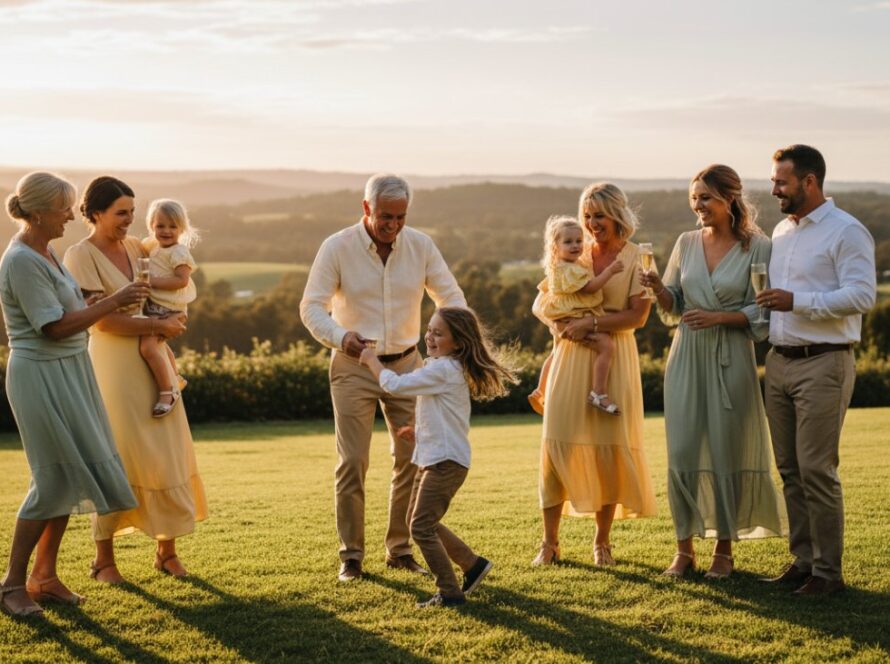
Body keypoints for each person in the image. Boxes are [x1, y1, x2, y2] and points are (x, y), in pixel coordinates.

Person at [300, 173, 467, 582]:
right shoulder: (336, 247)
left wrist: (454, 343)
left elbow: (451, 297)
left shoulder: (421, 246)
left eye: (400, 217)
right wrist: (343, 338)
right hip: (352, 365)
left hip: (409, 364)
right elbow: (311, 308)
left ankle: (400, 549)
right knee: (353, 462)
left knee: (412, 459)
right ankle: (352, 557)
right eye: (385, 216)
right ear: (366, 209)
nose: (393, 225)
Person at [0, 172, 143, 617]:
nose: (70, 214)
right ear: (40, 211)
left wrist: (94, 300)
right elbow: (54, 325)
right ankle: (10, 587)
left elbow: (68, 309)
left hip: (70, 369)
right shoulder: (22, 260)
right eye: (64, 208)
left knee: (66, 473)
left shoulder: (48, 251)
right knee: (51, 479)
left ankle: (45, 577)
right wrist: (113, 302)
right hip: (39, 375)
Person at [641, 165, 785, 579]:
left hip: (731, 359)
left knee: (727, 450)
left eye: (705, 197)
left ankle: (724, 550)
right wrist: (657, 288)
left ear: (730, 199)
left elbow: (764, 308)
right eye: (694, 198)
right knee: (683, 450)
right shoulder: (686, 243)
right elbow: (675, 305)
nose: (697, 205)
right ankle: (683, 549)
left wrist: (721, 318)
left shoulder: (758, 247)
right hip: (686, 357)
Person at [63, 176, 208, 583]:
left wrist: (172, 321)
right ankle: (103, 560)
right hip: (113, 363)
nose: (131, 221)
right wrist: (155, 324)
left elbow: (172, 286)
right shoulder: (80, 255)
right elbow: (102, 320)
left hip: (153, 352)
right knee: (119, 453)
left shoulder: (136, 247)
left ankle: (167, 550)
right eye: (121, 213)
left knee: (166, 449)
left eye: (132, 211)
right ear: (96, 214)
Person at [757, 145, 876, 595]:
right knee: (789, 468)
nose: (773, 190)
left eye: (781, 182)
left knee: (816, 469)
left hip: (824, 363)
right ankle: (803, 561)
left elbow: (863, 296)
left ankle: (828, 573)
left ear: (809, 182)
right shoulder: (782, 233)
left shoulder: (847, 232)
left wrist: (797, 302)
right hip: (779, 362)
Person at [531, 183, 657, 567]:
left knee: (608, 448)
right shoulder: (573, 251)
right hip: (570, 356)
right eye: (587, 215)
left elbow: (638, 316)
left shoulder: (640, 257)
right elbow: (541, 302)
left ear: (617, 214)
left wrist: (592, 322)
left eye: (598, 215)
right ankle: (549, 543)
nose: (590, 223)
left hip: (613, 355)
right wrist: (562, 322)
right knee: (558, 442)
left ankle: (602, 542)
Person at [359, 307, 516, 607]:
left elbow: (394, 385)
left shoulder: (443, 369)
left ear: (458, 342)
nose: (429, 336)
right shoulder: (443, 367)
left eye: (438, 333)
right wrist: (417, 434)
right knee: (417, 520)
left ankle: (450, 593)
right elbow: (444, 416)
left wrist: (371, 361)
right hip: (435, 456)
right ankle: (473, 565)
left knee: (420, 526)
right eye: (429, 329)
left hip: (445, 463)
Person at [529, 215, 625, 417]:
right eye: (568, 242)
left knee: (556, 351)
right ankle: (598, 392)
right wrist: (610, 271)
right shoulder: (571, 270)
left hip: (564, 316)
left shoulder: (558, 267)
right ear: (555, 246)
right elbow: (591, 288)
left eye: (579, 241)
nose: (575, 246)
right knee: (606, 346)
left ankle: (540, 389)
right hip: (575, 318)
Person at [139, 199, 198, 418]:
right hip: (156, 307)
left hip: (170, 310)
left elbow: (181, 280)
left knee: (148, 347)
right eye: (160, 226)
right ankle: (175, 377)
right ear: (151, 225)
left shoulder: (178, 252)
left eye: (173, 226)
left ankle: (167, 392)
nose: (166, 231)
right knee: (159, 347)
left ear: (181, 229)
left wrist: (150, 281)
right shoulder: (152, 247)